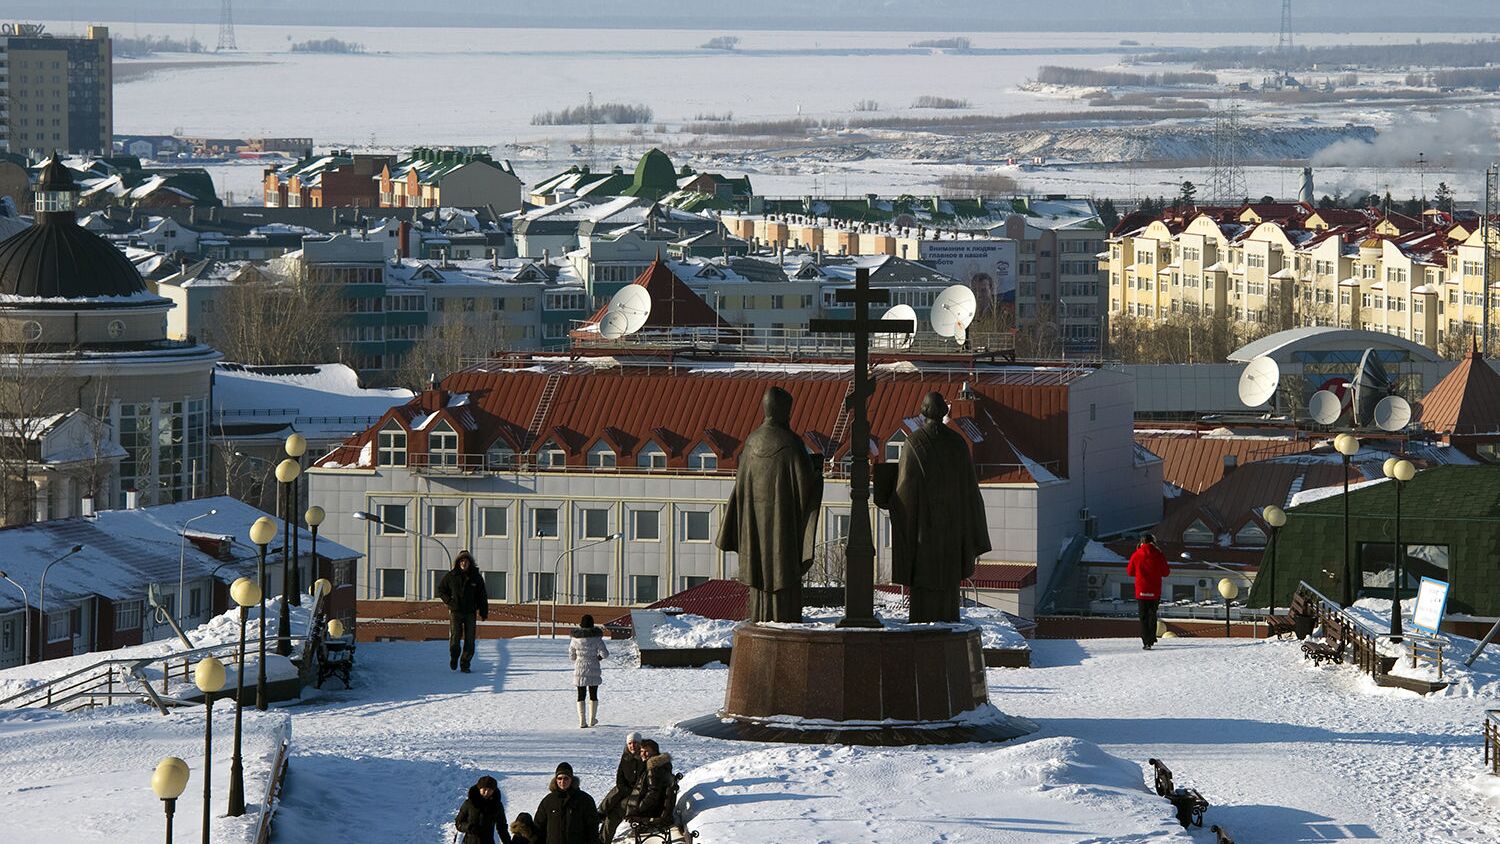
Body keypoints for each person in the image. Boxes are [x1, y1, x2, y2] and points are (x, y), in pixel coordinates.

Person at [882, 392, 992, 622]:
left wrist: (892, 503)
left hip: (925, 529)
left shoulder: (914, 443)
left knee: (925, 582)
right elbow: (970, 489)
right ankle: (948, 618)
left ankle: (923, 620)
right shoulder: (958, 443)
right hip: (953, 528)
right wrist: (973, 530)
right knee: (948, 583)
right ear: (944, 413)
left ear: (922, 413)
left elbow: (905, 490)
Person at [717, 386, 823, 623]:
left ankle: (760, 615)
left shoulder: (752, 442)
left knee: (761, 571)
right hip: (783, 526)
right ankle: (784, 616)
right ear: (785, 411)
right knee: (783, 571)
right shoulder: (791, 443)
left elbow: (742, 487)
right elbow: (805, 487)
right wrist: (817, 472)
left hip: (755, 526)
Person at [438, 550, 489, 672]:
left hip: (470, 612)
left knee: (470, 639)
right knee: (455, 637)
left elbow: (482, 596)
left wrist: (483, 611)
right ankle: (454, 657)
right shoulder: (451, 576)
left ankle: (465, 663)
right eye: (461, 561)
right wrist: (449, 601)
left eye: (466, 561)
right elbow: (441, 590)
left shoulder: (476, 578)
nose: (463, 563)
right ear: (458, 562)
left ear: (470, 563)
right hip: (455, 611)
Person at [534, 762, 598, 844]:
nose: (562, 781)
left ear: (571, 779)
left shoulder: (585, 800)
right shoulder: (548, 801)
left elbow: (592, 828)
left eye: (566, 778)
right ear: (555, 780)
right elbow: (539, 827)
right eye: (559, 778)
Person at [598, 732, 645, 843]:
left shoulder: (645, 759)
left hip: (639, 796)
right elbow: (620, 778)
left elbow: (643, 783)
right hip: (627, 792)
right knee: (617, 789)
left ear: (640, 744)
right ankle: (602, 814)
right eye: (630, 743)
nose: (632, 746)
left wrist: (629, 791)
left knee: (614, 812)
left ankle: (600, 816)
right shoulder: (626, 758)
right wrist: (626, 790)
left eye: (635, 743)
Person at [1128, 534, 1171, 650]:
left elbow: (1130, 572)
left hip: (1141, 590)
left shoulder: (1136, 554)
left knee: (1143, 616)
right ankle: (1151, 638)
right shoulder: (1159, 554)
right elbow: (1166, 572)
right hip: (1154, 590)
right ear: (1153, 542)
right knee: (1153, 615)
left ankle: (1146, 640)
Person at [569, 614, 609, 728]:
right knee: (593, 694)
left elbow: (571, 656)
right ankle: (592, 720)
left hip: (579, 668)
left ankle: (582, 721)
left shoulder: (575, 639)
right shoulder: (597, 638)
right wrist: (598, 658)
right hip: (593, 667)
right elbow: (605, 654)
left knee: (580, 695)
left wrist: (579, 657)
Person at [621, 739, 674, 823]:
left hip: (651, 812)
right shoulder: (661, 765)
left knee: (616, 808)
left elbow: (653, 793)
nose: (643, 754)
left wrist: (639, 808)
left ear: (654, 752)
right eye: (641, 751)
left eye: (647, 751)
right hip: (657, 808)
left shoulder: (653, 769)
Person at [455, 775, 512, 844]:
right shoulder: (469, 804)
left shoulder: (497, 805)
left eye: (490, 790)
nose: (487, 792)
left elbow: (502, 827)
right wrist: (469, 827)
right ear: (479, 788)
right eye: (484, 789)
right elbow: (458, 823)